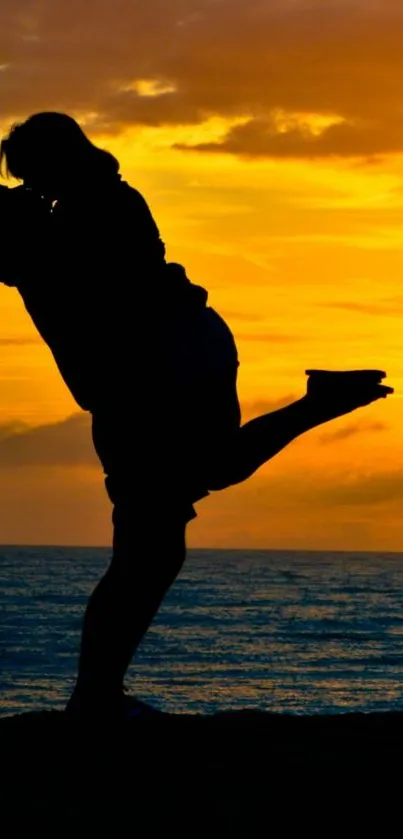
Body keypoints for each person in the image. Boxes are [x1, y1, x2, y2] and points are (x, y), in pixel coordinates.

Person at [0, 112, 393, 720]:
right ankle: (320, 402)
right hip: (177, 355)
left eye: (34, 179)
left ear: (55, 169)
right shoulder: (82, 205)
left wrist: (23, 219)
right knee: (176, 515)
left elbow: (62, 268)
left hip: (156, 368)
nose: (30, 190)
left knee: (152, 537)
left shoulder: (83, 213)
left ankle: (95, 698)